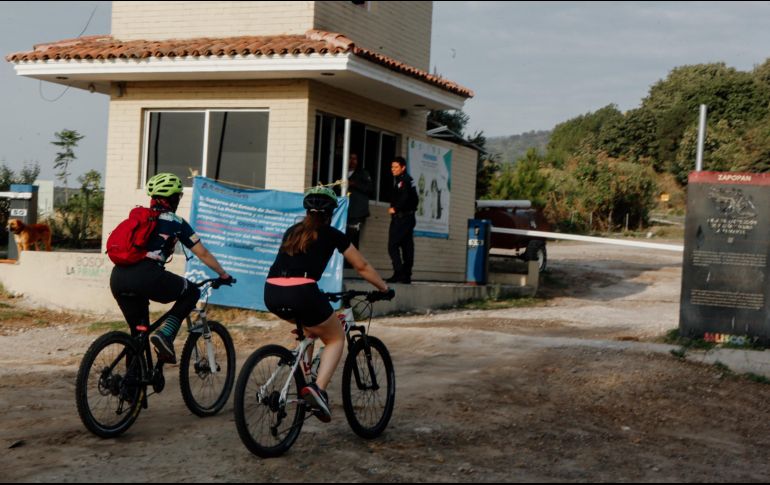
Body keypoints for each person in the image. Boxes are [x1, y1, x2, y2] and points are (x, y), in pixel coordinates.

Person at [264, 186, 392, 422]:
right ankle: (317, 389)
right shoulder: (332, 234)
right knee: (335, 338)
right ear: (331, 212)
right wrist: (384, 288)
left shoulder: (292, 231)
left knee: (311, 325)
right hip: (302, 291)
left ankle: (305, 373)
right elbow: (362, 266)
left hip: (271, 292)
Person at [109, 172, 232, 364]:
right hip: (147, 276)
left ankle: (131, 390)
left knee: (138, 335)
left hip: (118, 277)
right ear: (174, 198)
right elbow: (203, 253)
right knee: (191, 292)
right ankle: (165, 335)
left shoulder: (140, 217)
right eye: (179, 196)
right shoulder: (176, 222)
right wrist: (223, 274)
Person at [387, 156, 418, 284]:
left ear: (403, 167)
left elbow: (406, 197)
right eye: (392, 167)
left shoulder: (404, 180)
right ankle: (406, 275)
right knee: (406, 246)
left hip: (402, 217)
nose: (393, 170)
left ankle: (399, 272)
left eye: (396, 167)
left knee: (392, 245)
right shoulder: (404, 180)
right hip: (407, 218)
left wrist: (396, 208)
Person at [345, 152, 373, 249]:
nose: (352, 161)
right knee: (344, 239)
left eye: (355, 159)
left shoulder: (362, 173)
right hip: (345, 211)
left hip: (357, 213)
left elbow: (369, 189)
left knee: (353, 239)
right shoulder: (342, 172)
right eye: (350, 158)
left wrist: (354, 184)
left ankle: (352, 263)